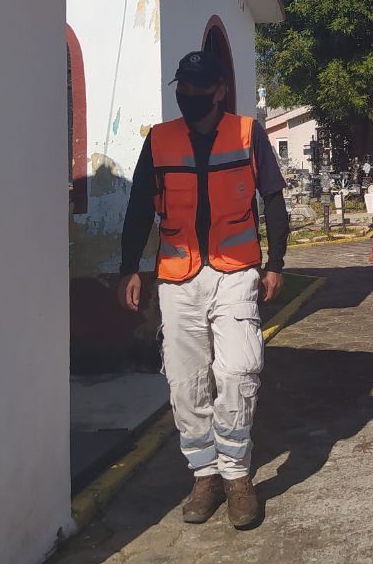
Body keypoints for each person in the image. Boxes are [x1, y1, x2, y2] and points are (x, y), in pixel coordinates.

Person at [117, 50, 290, 529]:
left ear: (218, 90)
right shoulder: (159, 140)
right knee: (185, 379)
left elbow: (272, 198)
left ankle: (237, 477)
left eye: (197, 87)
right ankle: (204, 474)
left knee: (239, 370)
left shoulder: (246, 132)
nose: (187, 95)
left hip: (236, 272)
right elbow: (137, 207)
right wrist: (130, 266)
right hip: (177, 275)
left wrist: (276, 262)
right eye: (182, 86)